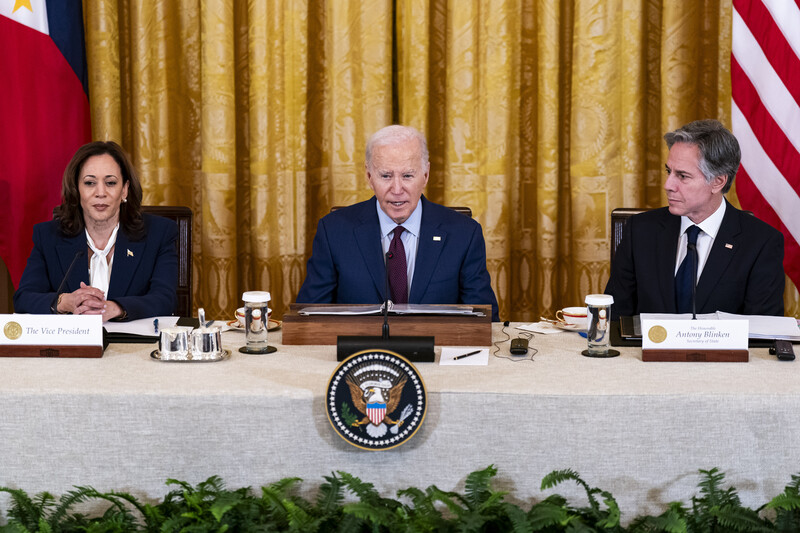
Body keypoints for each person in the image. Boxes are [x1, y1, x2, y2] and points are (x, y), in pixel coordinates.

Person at [296, 125, 500, 321]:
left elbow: (485, 320)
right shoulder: (334, 232)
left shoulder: (463, 234)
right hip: (361, 354)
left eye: (407, 176)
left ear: (425, 175)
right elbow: (308, 316)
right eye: (385, 176)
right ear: (369, 176)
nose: (396, 189)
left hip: (436, 354)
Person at [605, 119, 784, 318]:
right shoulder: (640, 230)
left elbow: (763, 333)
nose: (668, 184)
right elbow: (615, 318)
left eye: (682, 176)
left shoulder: (761, 243)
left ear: (717, 182)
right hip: (645, 350)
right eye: (668, 171)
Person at [14, 141, 178, 321]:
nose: (100, 192)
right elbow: (24, 298)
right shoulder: (48, 236)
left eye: (110, 182)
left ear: (124, 190)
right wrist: (66, 301)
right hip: (74, 346)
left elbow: (165, 299)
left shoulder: (159, 233)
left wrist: (115, 308)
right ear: (77, 189)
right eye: (90, 183)